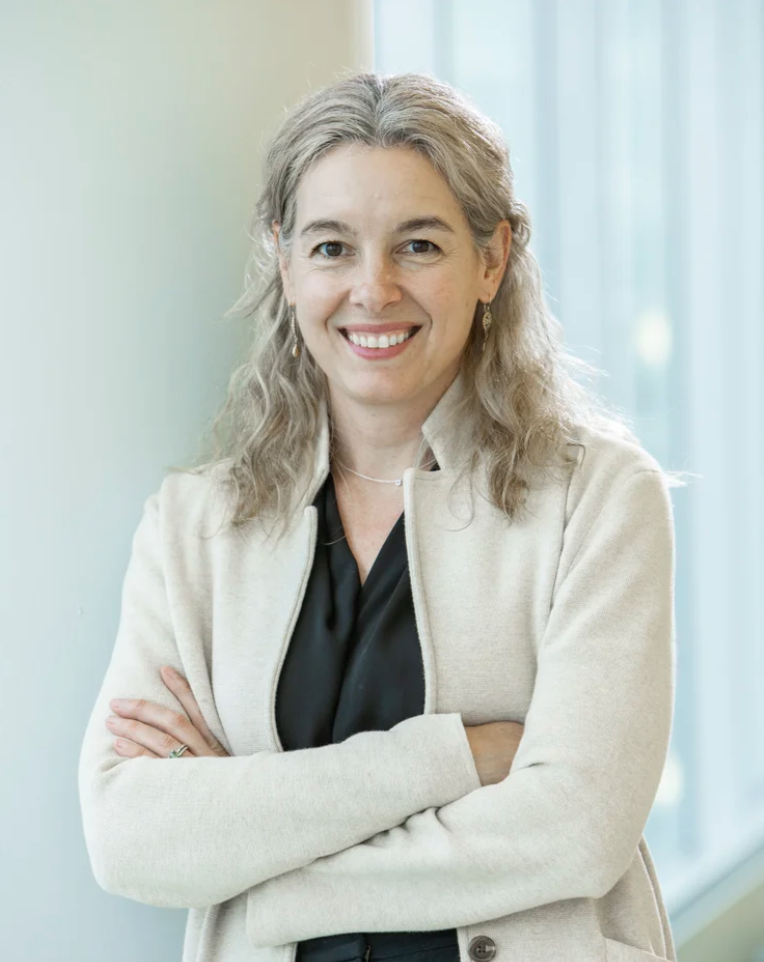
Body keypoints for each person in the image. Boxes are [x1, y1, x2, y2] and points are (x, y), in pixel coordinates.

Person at [78, 72, 681, 962]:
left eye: (420, 246)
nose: (373, 289)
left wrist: (260, 872)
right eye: (331, 248)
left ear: (492, 259)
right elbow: (129, 836)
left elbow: (578, 827)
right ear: (284, 263)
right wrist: (459, 758)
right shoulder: (193, 528)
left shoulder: (597, 498)